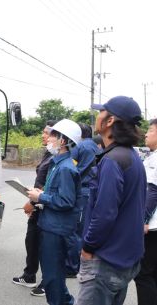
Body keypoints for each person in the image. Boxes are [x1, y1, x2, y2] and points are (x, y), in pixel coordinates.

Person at [76, 96, 146, 305]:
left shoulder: (113, 161)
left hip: (105, 261)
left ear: (109, 121)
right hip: (125, 258)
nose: (97, 116)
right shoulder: (132, 157)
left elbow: (104, 214)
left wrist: (87, 247)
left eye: (101, 112)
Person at [27, 119, 82, 305]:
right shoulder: (57, 163)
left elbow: (66, 201)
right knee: (54, 276)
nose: (48, 138)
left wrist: (40, 198)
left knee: (52, 278)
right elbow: (57, 195)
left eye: (52, 135)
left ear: (63, 141)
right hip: (51, 226)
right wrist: (41, 194)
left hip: (56, 230)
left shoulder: (66, 168)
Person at [12, 120, 56, 297]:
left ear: (58, 137)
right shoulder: (48, 153)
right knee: (31, 241)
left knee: (46, 246)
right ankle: (29, 275)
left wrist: (32, 202)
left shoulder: (58, 159)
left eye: (47, 133)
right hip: (38, 201)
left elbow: (51, 184)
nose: (43, 135)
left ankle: (48, 283)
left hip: (45, 204)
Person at [65, 123, 101, 277]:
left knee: (76, 231)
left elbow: (72, 170)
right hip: (91, 191)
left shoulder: (79, 147)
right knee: (84, 228)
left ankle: (72, 267)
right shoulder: (95, 146)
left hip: (81, 191)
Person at [134, 118, 157, 305]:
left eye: (150, 130)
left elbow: (152, 191)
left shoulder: (155, 160)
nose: (146, 134)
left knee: (143, 274)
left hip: (152, 226)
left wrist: (143, 219)